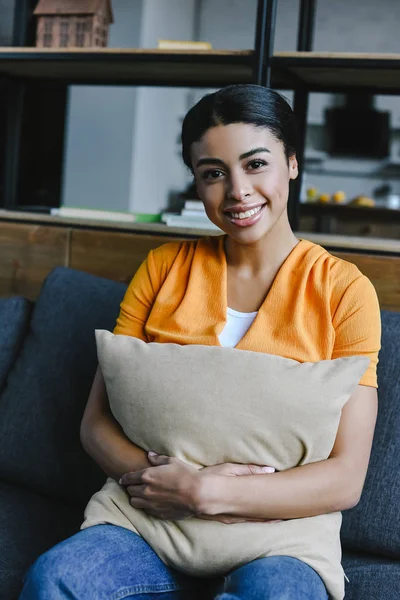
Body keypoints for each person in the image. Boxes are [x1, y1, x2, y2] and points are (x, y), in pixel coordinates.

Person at [19, 84, 381, 600]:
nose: (237, 190)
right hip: (148, 520)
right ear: (196, 181)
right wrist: (173, 489)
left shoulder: (345, 291)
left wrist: (213, 491)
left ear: (293, 164)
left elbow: (346, 479)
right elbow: (95, 425)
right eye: (213, 173)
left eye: (256, 164)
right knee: (55, 579)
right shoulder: (164, 268)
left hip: (279, 537)